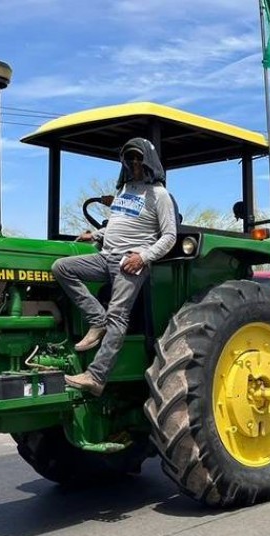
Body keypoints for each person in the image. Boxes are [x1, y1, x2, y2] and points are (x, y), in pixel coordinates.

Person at [52, 137, 177, 396]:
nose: (133, 163)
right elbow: (118, 223)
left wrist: (143, 258)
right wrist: (96, 235)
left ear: (149, 162)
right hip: (106, 255)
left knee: (118, 316)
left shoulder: (159, 195)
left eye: (138, 158)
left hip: (129, 262)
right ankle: (97, 321)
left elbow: (169, 236)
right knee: (62, 268)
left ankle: (96, 376)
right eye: (129, 158)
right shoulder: (124, 190)